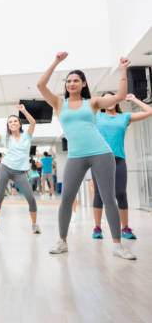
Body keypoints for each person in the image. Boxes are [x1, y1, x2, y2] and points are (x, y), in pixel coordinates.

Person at [37, 52, 135, 260]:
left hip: (101, 153)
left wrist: (124, 70)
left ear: (83, 84)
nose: (71, 84)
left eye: (76, 81)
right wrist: (56, 62)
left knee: (109, 198)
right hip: (76, 156)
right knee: (66, 200)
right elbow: (40, 85)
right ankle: (62, 241)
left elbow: (119, 97)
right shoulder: (58, 103)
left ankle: (118, 245)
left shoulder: (92, 103)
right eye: (69, 81)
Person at [92, 92, 152, 240]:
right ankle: (98, 227)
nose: (109, 101)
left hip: (118, 160)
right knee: (99, 195)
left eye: (112, 98)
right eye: (105, 99)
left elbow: (149, 111)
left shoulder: (124, 117)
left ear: (116, 100)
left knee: (121, 194)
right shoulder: (97, 117)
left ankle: (125, 228)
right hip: (99, 160)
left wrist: (134, 99)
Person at [0, 105, 41, 234]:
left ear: (19, 123)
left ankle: (34, 225)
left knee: (31, 198)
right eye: (10, 122)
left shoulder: (27, 136)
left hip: (20, 172)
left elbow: (33, 122)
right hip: (5, 168)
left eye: (15, 121)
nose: (13, 123)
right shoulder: (5, 138)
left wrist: (24, 110)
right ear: (8, 125)